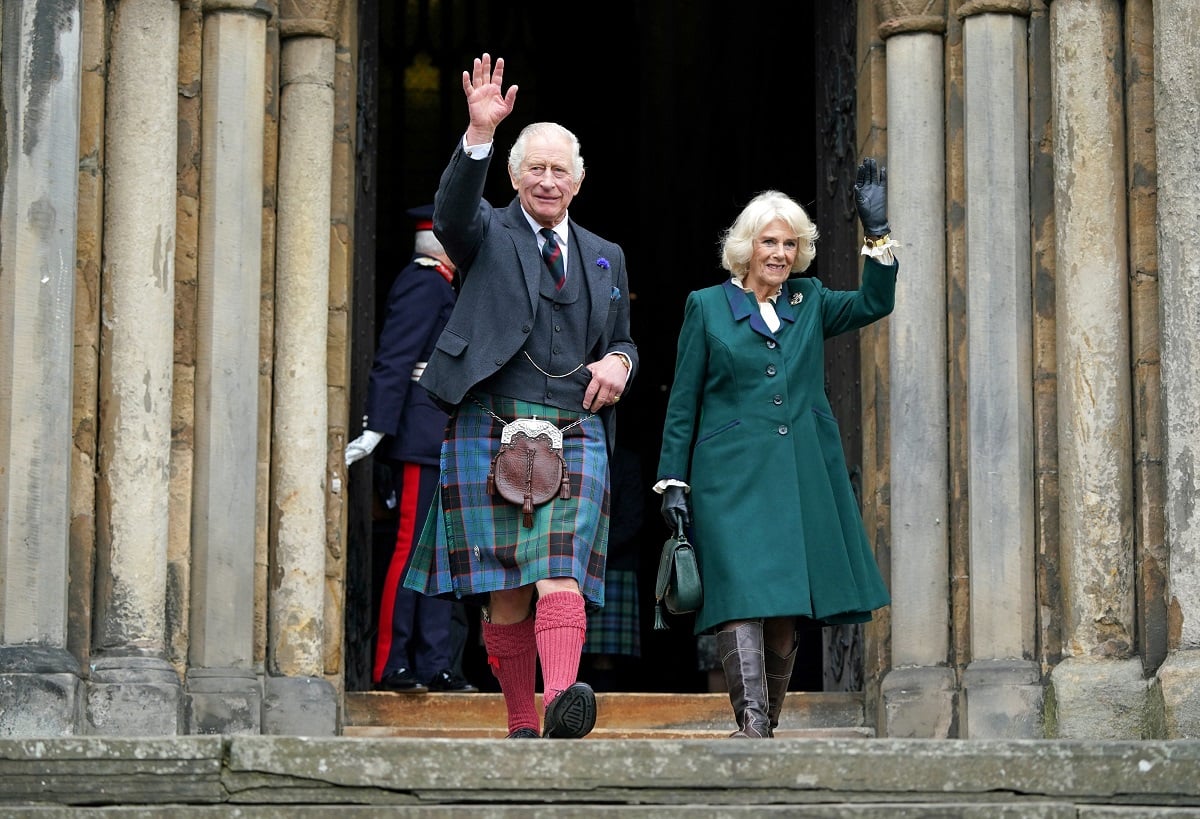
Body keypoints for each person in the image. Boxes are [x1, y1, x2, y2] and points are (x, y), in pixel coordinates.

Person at [402, 53, 638, 739]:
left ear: (580, 179)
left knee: (560, 569)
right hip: (491, 418)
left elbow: (625, 337)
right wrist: (479, 132)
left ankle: (561, 699)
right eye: (534, 166)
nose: (547, 178)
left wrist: (622, 361)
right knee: (506, 592)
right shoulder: (486, 231)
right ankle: (520, 722)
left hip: (576, 426)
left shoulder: (606, 254)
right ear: (513, 175)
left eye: (559, 168)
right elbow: (451, 211)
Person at [654, 159, 896, 738]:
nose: (780, 253)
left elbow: (873, 305)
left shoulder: (808, 300)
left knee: (784, 608)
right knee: (739, 596)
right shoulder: (706, 306)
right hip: (728, 479)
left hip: (797, 475)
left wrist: (879, 234)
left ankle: (769, 726)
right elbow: (684, 400)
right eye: (769, 241)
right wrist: (672, 480)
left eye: (790, 243)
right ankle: (752, 726)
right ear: (746, 246)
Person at [345, 205, 478, 695]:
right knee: (410, 553)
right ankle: (393, 662)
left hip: (441, 435)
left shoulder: (443, 286)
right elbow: (395, 360)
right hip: (420, 437)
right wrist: (377, 429)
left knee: (442, 557)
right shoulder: (424, 284)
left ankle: (433, 661)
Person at [580, 444, 644, 691]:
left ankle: (605, 708)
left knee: (605, 655)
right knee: (568, 643)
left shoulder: (626, 462)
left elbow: (632, 519)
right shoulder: (575, 453)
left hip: (614, 564)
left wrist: (592, 550)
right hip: (575, 562)